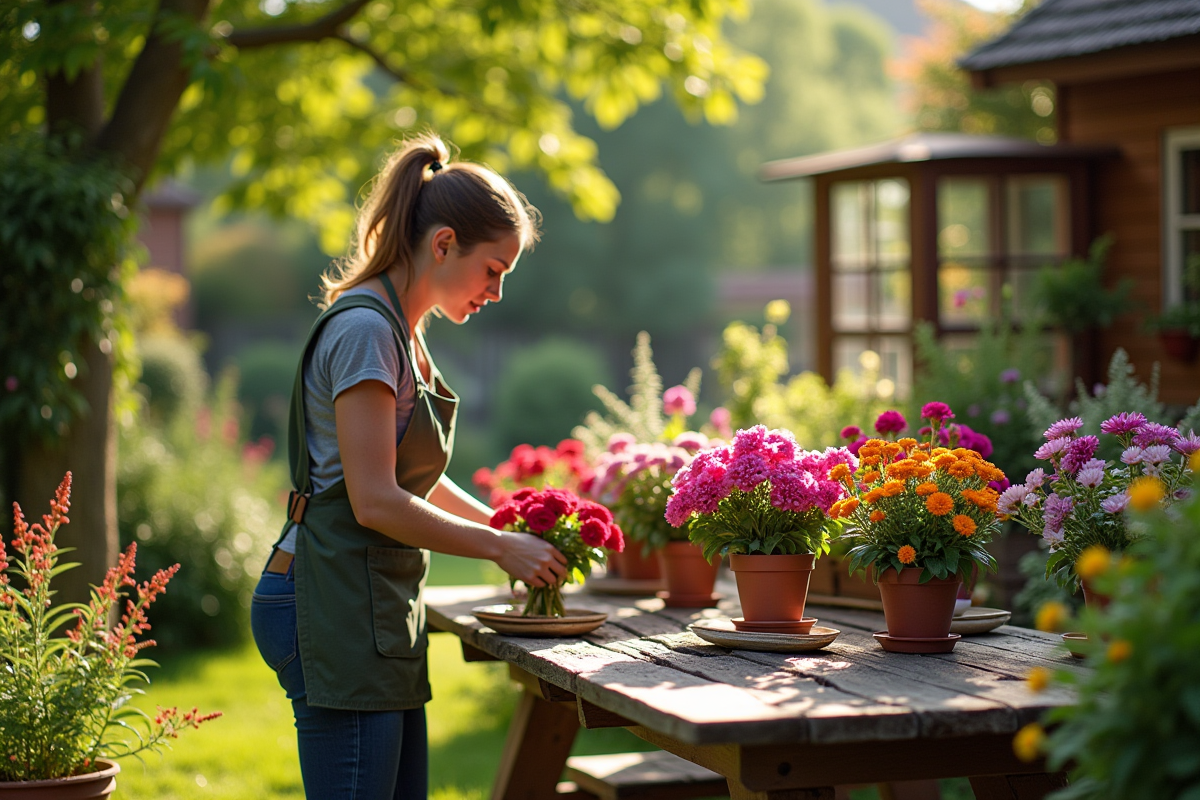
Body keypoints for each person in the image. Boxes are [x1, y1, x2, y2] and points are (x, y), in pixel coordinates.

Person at [250, 133, 567, 800]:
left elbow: (411, 481)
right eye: (494, 269)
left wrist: (508, 531)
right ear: (444, 244)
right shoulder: (366, 331)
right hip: (328, 599)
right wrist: (497, 546)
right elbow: (375, 501)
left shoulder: (405, 332)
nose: (498, 292)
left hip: (372, 602)